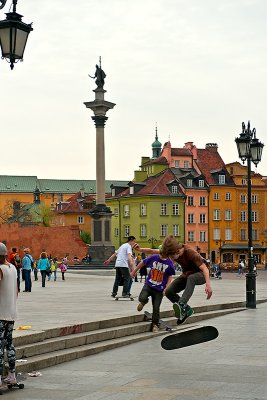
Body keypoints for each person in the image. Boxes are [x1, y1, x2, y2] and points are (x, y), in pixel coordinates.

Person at [130, 235, 178, 332]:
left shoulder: (169, 264)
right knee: (142, 297)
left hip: (159, 290)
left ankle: (155, 325)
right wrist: (134, 271)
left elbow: (170, 276)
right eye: (161, 253)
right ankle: (144, 301)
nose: (161, 256)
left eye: (163, 255)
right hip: (148, 285)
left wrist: (166, 288)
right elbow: (143, 262)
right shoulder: (154, 257)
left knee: (156, 308)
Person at [165, 244, 213, 324]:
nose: (172, 260)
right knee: (168, 291)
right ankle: (187, 311)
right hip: (188, 274)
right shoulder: (172, 252)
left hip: (202, 274)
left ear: (178, 252)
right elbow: (153, 251)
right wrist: (140, 249)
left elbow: (205, 269)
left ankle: (182, 304)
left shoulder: (191, 253)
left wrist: (208, 285)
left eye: (173, 258)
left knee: (192, 278)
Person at [0, 242, 18, 386]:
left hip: (0, 313)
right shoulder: (13, 268)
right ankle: (12, 375)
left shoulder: (0, 269)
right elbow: (16, 291)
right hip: (11, 313)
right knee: (9, 344)